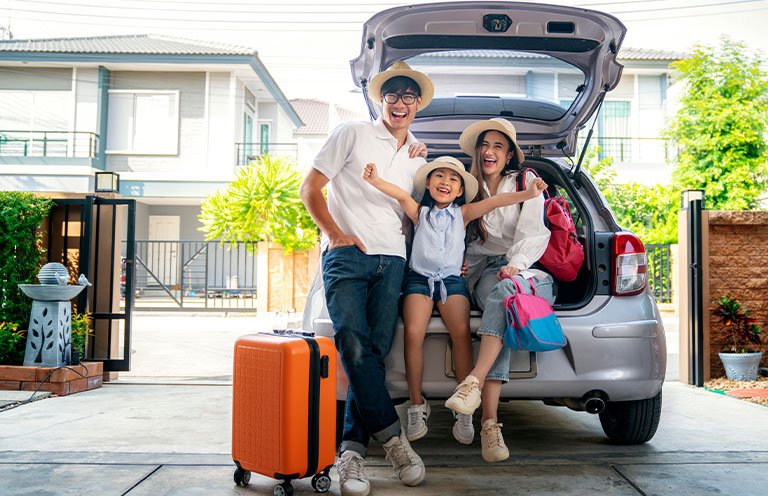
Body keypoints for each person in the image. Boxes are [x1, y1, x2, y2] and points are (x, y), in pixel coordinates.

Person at [299, 61, 433, 496]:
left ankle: (352, 452)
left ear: (417, 105)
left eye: (408, 96)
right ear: (380, 99)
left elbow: (420, 215)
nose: (399, 103)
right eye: (391, 95)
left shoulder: (417, 156)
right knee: (353, 346)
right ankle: (396, 442)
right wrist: (334, 234)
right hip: (347, 258)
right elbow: (310, 188)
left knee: (373, 355)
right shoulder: (352, 134)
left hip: (392, 261)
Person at [362, 157, 546, 446]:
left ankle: (465, 408)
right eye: (439, 176)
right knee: (413, 334)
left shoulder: (464, 213)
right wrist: (374, 181)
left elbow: (497, 202)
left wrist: (528, 195)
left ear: (460, 189)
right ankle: (416, 404)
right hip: (419, 280)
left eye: (453, 178)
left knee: (460, 334)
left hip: (451, 281)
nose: (445, 182)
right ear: (428, 183)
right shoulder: (419, 212)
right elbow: (398, 194)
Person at [443, 118, 555, 463]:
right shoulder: (463, 185)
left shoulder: (524, 182)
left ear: (508, 156)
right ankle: (489, 427)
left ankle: (475, 389)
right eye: (485, 146)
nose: (490, 152)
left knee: (507, 293)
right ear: (477, 152)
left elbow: (534, 232)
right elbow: (444, 227)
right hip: (482, 273)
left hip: (525, 269)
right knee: (503, 299)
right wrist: (457, 259)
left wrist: (517, 264)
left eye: (498, 147)